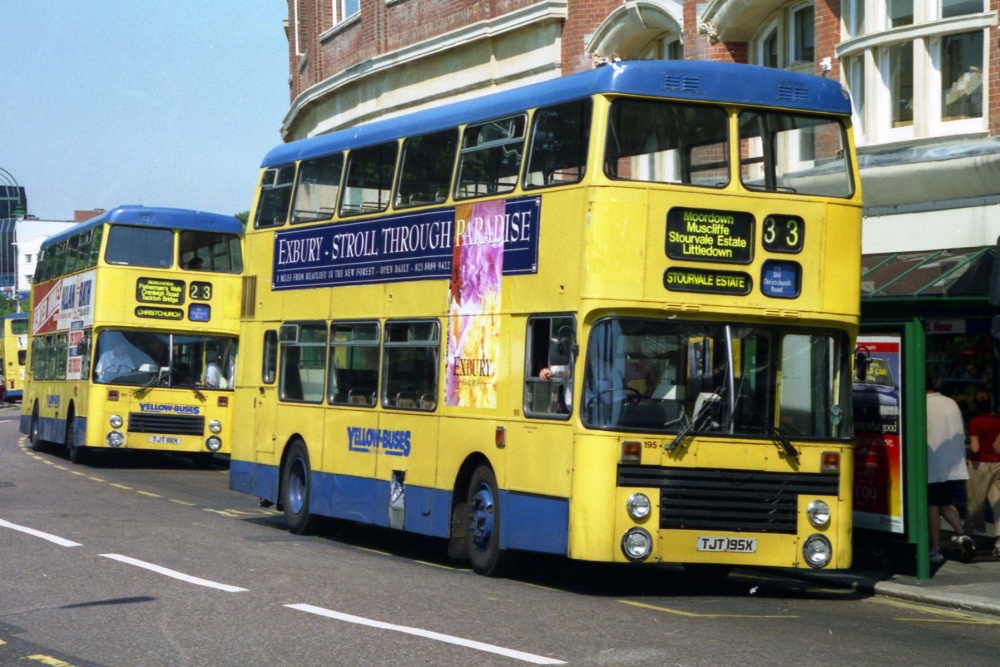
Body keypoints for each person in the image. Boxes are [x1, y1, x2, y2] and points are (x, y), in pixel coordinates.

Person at [926, 381, 973, 564]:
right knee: (945, 502)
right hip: (954, 463)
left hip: (933, 463)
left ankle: (935, 549)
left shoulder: (922, 405)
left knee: (932, 505)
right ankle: (962, 536)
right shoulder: (950, 402)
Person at [965, 391, 1000, 558]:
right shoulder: (998, 420)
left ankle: (969, 537)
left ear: (975, 405)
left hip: (980, 464)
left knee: (975, 502)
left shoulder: (975, 422)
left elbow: (975, 448)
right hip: (998, 463)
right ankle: (999, 542)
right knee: (998, 502)